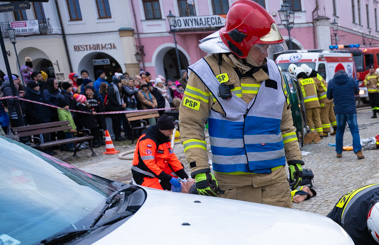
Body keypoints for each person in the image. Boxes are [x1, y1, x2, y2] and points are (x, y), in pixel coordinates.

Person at [179, 0, 302, 207]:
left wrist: (295, 160)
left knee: (281, 236)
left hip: (276, 182)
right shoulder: (205, 74)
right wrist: (199, 170)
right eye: (260, 47)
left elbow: (286, 125)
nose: (266, 53)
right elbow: (191, 126)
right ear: (241, 44)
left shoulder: (275, 72)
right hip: (233, 186)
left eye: (268, 47)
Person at [132, 115, 189, 192]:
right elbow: (149, 164)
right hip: (145, 174)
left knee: (178, 168)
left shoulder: (164, 137)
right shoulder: (147, 140)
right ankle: (162, 186)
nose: (172, 133)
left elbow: (172, 158)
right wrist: (168, 178)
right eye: (170, 131)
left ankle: (166, 186)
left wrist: (184, 176)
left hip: (157, 169)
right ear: (161, 129)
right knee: (158, 195)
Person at [327, 62, 364, 160]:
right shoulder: (351, 80)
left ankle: (339, 152)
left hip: (339, 111)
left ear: (335, 72)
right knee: (354, 131)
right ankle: (358, 151)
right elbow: (357, 91)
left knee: (339, 131)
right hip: (351, 110)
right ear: (344, 71)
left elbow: (328, 96)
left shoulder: (331, 82)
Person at [296, 64, 323, 141]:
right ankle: (320, 134)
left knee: (309, 120)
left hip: (308, 104)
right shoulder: (312, 80)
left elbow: (299, 93)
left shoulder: (299, 81)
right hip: (316, 103)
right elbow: (317, 90)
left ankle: (313, 136)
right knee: (317, 118)